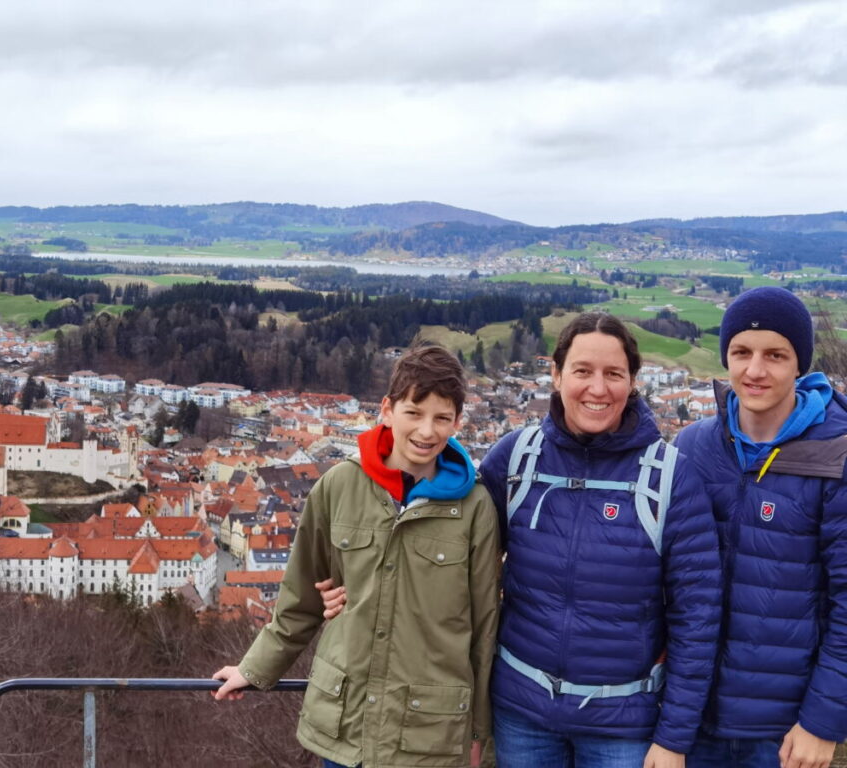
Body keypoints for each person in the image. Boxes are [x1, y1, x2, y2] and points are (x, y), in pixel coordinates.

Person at [322, 312, 722, 768]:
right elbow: (444, 542)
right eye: (582, 371)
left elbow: (698, 616)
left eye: (614, 374)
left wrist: (673, 739)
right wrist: (357, 586)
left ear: (633, 382)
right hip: (522, 716)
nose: (597, 388)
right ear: (555, 375)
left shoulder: (671, 477)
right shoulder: (516, 458)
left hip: (623, 723)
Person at [213, 344, 501, 768]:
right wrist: (254, 669)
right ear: (387, 410)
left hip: (430, 733)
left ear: (457, 422)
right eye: (414, 413)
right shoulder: (339, 486)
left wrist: (480, 735)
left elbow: (482, 629)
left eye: (442, 418)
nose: (427, 430)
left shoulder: (474, 506)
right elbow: (302, 596)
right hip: (348, 722)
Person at [674, 286, 847, 768]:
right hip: (692, 717)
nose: (755, 370)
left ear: (799, 364)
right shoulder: (693, 448)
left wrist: (822, 722)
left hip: (785, 731)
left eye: (775, 355)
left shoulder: (836, 457)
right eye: (741, 352)